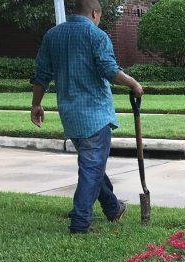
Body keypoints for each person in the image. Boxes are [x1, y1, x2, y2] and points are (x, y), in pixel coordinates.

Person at [30, 0, 144, 234]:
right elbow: (109, 70)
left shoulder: (53, 35)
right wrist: (134, 84)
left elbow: (41, 74)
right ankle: (80, 222)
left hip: (70, 115)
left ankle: (113, 208)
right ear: (94, 13)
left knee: (93, 166)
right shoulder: (97, 35)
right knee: (91, 169)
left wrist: (36, 104)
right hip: (95, 115)